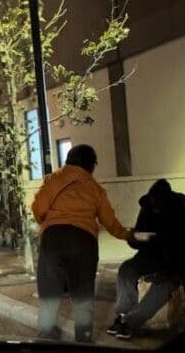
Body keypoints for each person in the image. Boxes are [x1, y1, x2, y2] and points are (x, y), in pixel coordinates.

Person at [32, 144, 132, 343]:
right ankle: (83, 339)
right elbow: (109, 221)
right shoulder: (94, 188)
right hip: (83, 241)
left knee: (50, 292)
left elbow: (38, 207)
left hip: (53, 239)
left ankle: (45, 337)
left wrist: (48, 224)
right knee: (83, 294)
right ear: (90, 165)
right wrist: (126, 234)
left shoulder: (55, 179)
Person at [107, 179, 185, 340]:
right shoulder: (147, 207)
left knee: (163, 282)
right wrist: (134, 238)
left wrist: (158, 241)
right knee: (126, 270)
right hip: (151, 256)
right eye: (153, 203)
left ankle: (130, 322)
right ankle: (123, 314)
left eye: (158, 204)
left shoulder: (183, 210)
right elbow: (139, 239)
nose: (155, 207)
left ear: (167, 200)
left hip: (181, 260)